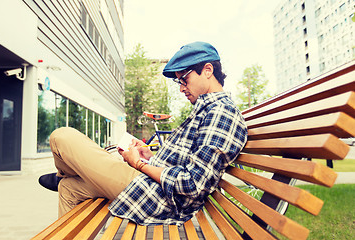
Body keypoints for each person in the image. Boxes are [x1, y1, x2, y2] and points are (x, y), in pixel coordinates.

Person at [39, 41, 248, 225]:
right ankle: (67, 175)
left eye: (184, 79)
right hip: (148, 183)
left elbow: (192, 184)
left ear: (208, 70)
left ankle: (66, 171)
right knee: (68, 188)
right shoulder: (207, 109)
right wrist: (149, 156)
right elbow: (184, 164)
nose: (181, 87)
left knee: (61, 136)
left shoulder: (222, 113)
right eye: (178, 82)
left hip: (156, 195)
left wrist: (139, 164)